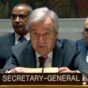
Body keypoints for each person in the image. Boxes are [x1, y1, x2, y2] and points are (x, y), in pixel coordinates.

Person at [3, 7, 88, 74]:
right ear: (29, 34)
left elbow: (85, 72)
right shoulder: (19, 51)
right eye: (35, 34)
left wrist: (72, 75)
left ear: (55, 34)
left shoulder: (71, 49)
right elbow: (4, 73)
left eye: (46, 34)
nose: (40, 40)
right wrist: (12, 73)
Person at [0, 3, 32, 68]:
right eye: (14, 17)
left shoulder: (41, 42)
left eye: (22, 16)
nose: (17, 20)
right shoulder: (1, 42)